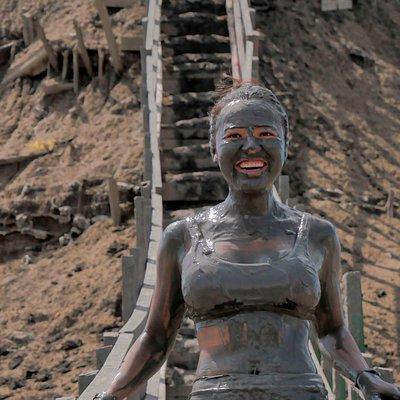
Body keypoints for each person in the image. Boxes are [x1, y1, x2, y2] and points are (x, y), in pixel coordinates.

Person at [94, 82, 400, 400]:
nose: (251, 146)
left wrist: (366, 377)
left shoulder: (317, 235)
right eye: (234, 136)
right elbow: (156, 339)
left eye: (266, 134)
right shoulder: (182, 237)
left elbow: (332, 330)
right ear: (214, 148)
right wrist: (113, 393)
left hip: (300, 392)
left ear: (285, 144)